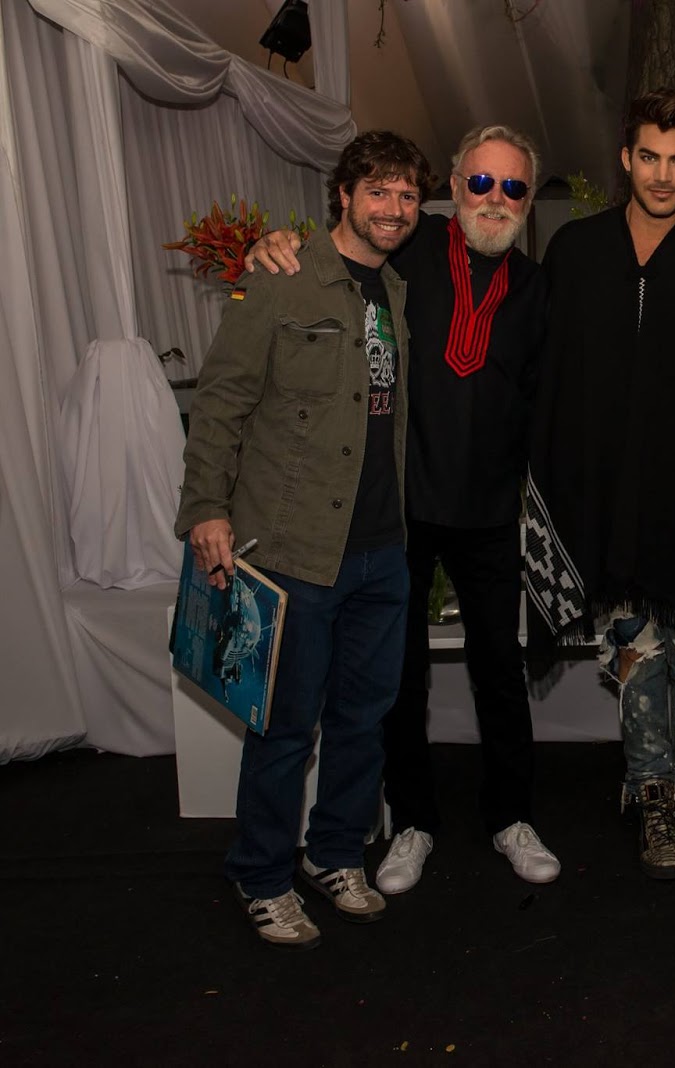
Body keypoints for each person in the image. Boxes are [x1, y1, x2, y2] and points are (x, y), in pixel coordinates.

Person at [245, 125, 560, 896]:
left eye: (513, 187)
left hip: (491, 510)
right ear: (453, 187)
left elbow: (544, 400)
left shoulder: (538, 287)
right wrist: (276, 245)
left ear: (528, 201)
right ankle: (412, 821)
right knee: (397, 680)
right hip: (402, 509)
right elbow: (339, 250)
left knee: (500, 671)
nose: (496, 199)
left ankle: (510, 817)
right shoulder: (405, 259)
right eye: (481, 183)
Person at [176, 130, 432, 949]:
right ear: (344, 196)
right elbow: (219, 401)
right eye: (379, 191)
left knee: (365, 717)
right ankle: (261, 875)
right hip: (294, 551)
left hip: (383, 552)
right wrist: (205, 508)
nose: (394, 208)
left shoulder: (394, 291)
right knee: (285, 726)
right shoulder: (280, 277)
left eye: (405, 194)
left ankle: (334, 856)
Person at [522, 89, 675, 880]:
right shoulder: (578, 250)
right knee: (633, 654)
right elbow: (547, 371)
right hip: (605, 494)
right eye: (649, 157)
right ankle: (650, 797)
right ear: (626, 159)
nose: (663, 175)